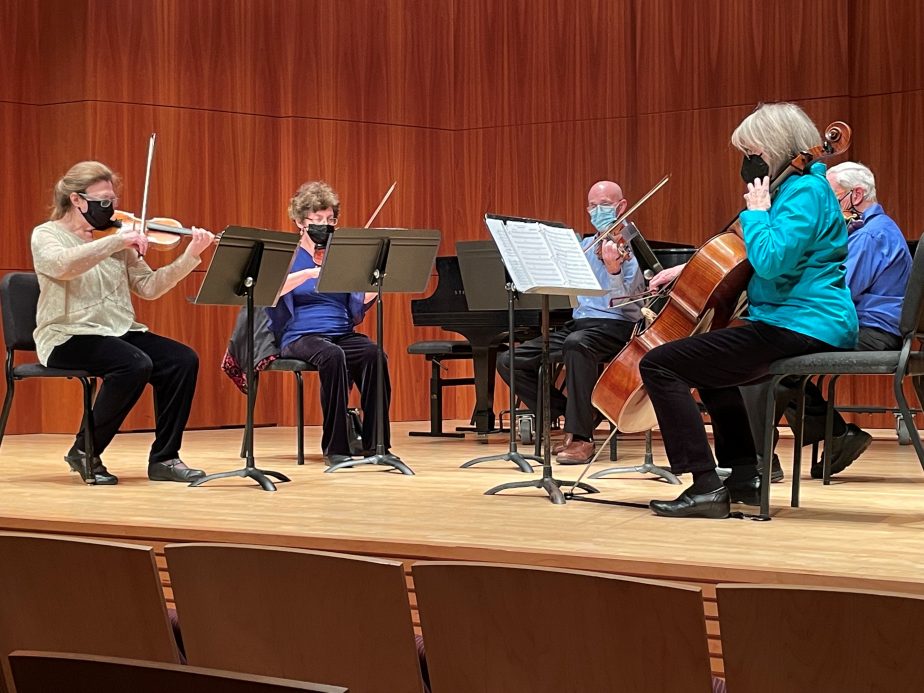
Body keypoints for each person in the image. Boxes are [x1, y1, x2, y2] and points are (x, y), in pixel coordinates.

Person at [640, 102, 858, 519]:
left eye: (753, 151)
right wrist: (688, 269)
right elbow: (748, 253)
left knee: (661, 365)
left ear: (775, 147)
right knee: (708, 368)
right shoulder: (795, 190)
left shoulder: (805, 192)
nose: (748, 162)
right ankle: (742, 475)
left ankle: (705, 485)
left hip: (803, 322)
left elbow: (773, 259)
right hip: (792, 319)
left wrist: (756, 212)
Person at [31, 161, 214, 485]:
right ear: (77, 200)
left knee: (181, 360)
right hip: (66, 334)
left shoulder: (116, 236)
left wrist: (190, 256)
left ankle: (165, 458)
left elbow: (150, 287)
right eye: (104, 201)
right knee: (133, 364)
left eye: (113, 200)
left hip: (117, 330)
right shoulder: (47, 235)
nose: (112, 208)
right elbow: (63, 267)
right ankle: (85, 450)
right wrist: (117, 241)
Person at [740, 161, 913, 479]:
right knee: (779, 359)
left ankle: (758, 460)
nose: (822, 206)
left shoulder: (873, 235)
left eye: (829, 197)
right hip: (863, 326)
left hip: (873, 332)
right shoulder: (865, 231)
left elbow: (840, 291)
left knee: (770, 356)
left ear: (856, 195)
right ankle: (835, 437)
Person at [496, 181, 645, 465]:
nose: (597, 211)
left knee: (577, 345)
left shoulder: (632, 245)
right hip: (581, 325)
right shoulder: (585, 247)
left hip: (617, 327)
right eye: (592, 206)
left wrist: (614, 270)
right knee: (509, 359)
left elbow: (625, 301)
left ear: (621, 206)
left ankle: (581, 438)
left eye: (604, 204)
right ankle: (573, 412)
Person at [265, 180, 388, 466]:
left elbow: (356, 303)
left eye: (331, 219)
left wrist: (375, 284)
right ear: (299, 221)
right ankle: (336, 447)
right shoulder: (287, 254)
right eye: (318, 219)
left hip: (340, 332)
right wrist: (308, 274)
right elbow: (270, 291)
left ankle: (376, 443)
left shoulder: (339, 255)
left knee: (374, 354)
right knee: (332, 356)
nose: (326, 225)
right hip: (300, 336)